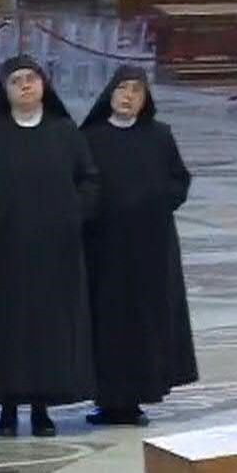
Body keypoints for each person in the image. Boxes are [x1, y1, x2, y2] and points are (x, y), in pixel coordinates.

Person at [0, 54, 98, 437]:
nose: (25, 85)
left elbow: (89, 180)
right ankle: (8, 409)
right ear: (4, 91)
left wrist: (72, 213)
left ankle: (42, 409)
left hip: (54, 253)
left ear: (44, 85)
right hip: (3, 252)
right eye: (16, 81)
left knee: (47, 330)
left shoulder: (64, 132)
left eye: (32, 79)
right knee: (7, 329)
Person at [80, 65, 196, 427]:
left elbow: (179, 179)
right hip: (104, 248)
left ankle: (135, 398)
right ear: (110, 94)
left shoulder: (159, 136)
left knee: (144, 321)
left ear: (145, 100)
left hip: (151, 248)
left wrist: (157, 201)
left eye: (137, 91)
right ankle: (107, 398)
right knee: (107, 321)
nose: (128, 97)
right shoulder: (90, 137)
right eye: (123, 89)